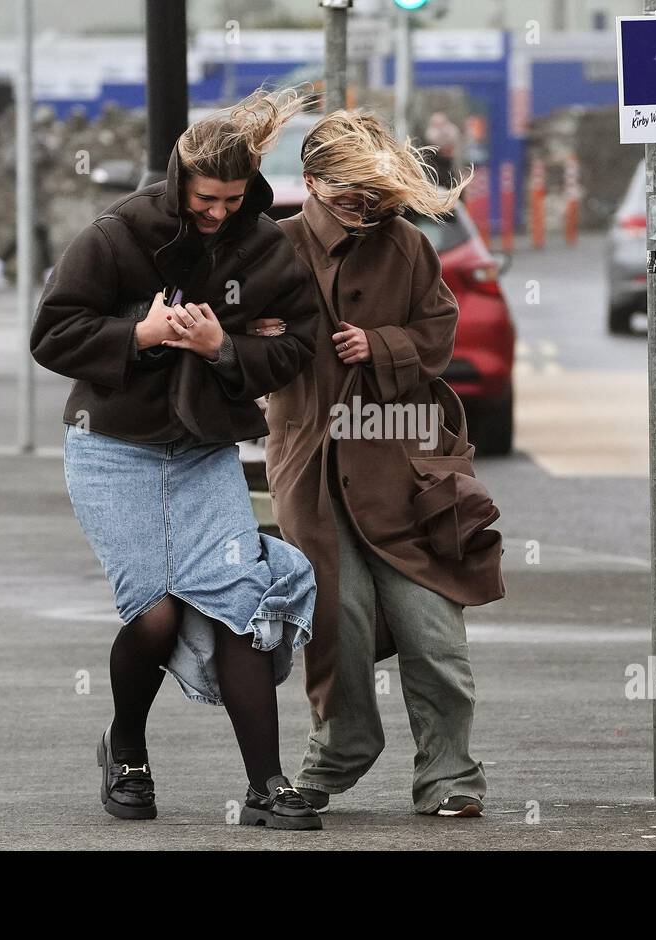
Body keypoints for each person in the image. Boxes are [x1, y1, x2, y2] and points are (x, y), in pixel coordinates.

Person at [30, 88, 324, 831]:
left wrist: (223, 346)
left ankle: (267, 786)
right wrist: (142, 334)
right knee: (156, 616)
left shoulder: (264, 245)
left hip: (202, 451)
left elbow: (296, 344)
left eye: (231, 198)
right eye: (205, 198)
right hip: (111, 450)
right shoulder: (119, 232)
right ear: (177, 181)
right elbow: (53, 332)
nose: (219, 211)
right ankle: (125, 746)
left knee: (239, 608)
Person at [255, 111, 505, 818]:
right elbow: (237, 349)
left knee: (434, 632)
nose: (364, 212)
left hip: (405, 468)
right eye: (349, 198)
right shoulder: (275, 248)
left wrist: (384, 346)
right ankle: (336, 756)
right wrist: (255, 334)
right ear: (309, 183)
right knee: (340, 624)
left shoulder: (407, 248)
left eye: (374, 197)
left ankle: (450, 776)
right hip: (314, 469)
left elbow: (439, 329)